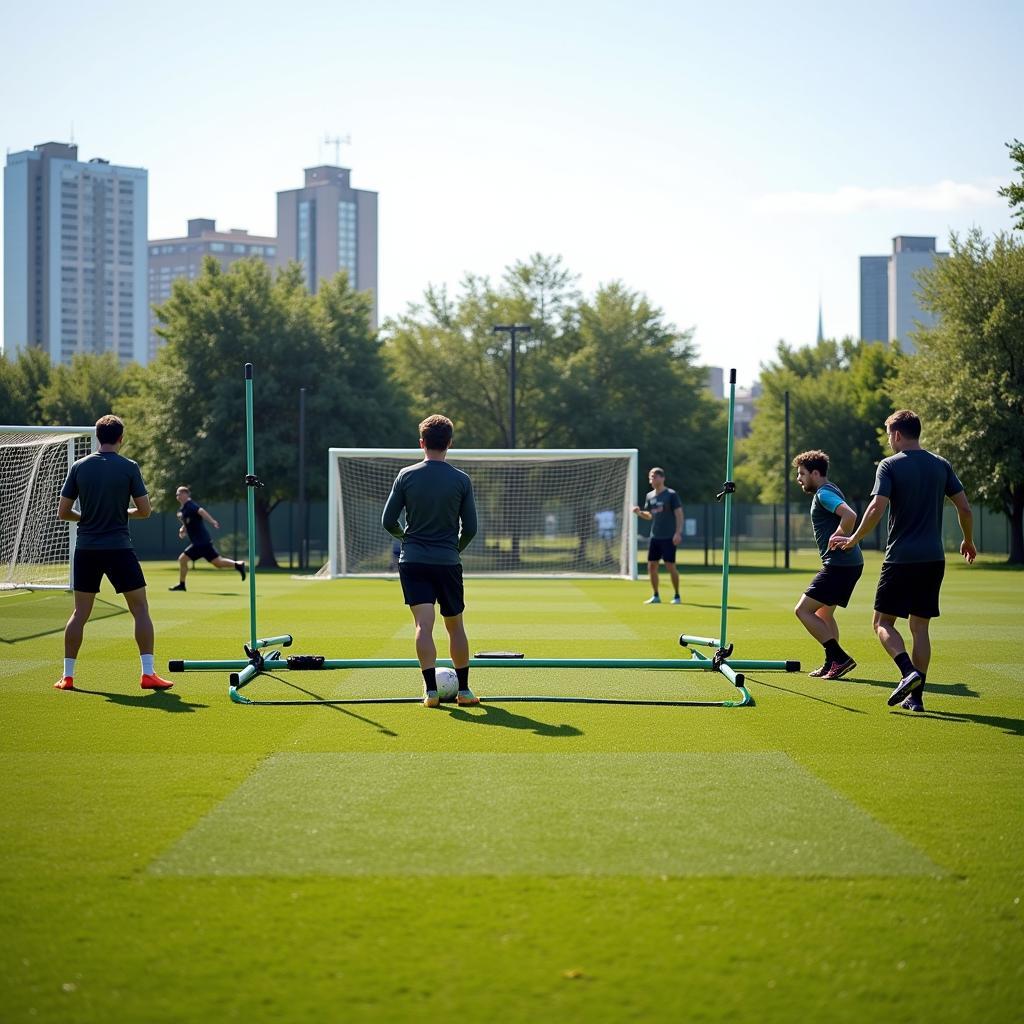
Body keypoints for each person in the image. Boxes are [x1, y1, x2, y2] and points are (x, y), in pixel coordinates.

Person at [829, 409, 975, 712]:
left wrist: (854, 539)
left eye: (887, 434)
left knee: (882, 622)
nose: (887, 440)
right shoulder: (941, 465)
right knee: (920, 628)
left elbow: (875, 508)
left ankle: (907, 672)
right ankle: (916, 696)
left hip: (901, 559)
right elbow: (965, 509)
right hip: (933, 559)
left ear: (897, 434)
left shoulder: (889, 466)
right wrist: (968, 540)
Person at [55, 414, 174, 691]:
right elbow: (145, 511)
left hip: (86, 549)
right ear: (121, 438)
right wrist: (123, 512)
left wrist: (85, 518)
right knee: (140, 608)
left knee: (79, 613)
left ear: (98, 437)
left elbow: (64, 512)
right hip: (119, 548)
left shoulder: (79, 466)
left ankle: (68, 677)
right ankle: (147, 674)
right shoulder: (129, 467)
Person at [381, 414, 479, 708]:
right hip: (448, 562)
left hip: (413, 561)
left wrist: (407, 540)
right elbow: (471, 528)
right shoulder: (461, 480)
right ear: (449, 443)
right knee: (455, 626)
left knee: (423, 626)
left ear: (422, 443)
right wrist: (454, 548)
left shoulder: (406, 475)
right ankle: (463, 691)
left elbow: (388, 521)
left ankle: (431, 693)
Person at [792, 450, 864, 680]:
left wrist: (840, 533)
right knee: (824, 613)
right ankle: (832, 663)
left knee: (802, 610)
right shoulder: (831, 489)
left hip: (839, 565)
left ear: (815, 473)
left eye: (802, 473)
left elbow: (850, 515)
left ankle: (839, 657)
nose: (799, 479)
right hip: (848, 564)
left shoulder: (824, 494)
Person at [168, 485, 245, 591]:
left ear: (186, 494)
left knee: (182, 559)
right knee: (218, 563)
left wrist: (212, 521)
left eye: (179, 493)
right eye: (177, 494)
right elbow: (188, 522)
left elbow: (201, 511)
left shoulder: (190, 505)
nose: (177, 496)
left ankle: (182, 585)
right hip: (204, 542)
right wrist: (183, 529)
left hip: (200, 542)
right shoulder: (184, 508)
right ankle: (238, 564)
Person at [632, 467, 683, 604]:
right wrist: (639, 513)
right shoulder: (650, 496)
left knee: (670, 566)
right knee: (652, 566)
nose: (652, 479)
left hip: (669, 537)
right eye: (650, 477)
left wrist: (678, 533)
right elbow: (650, 515)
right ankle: (656, 595)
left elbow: (679, 514)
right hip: (655, 537)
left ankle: (677, 595)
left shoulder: (671, 495)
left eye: (654, 476)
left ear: (662, 478)